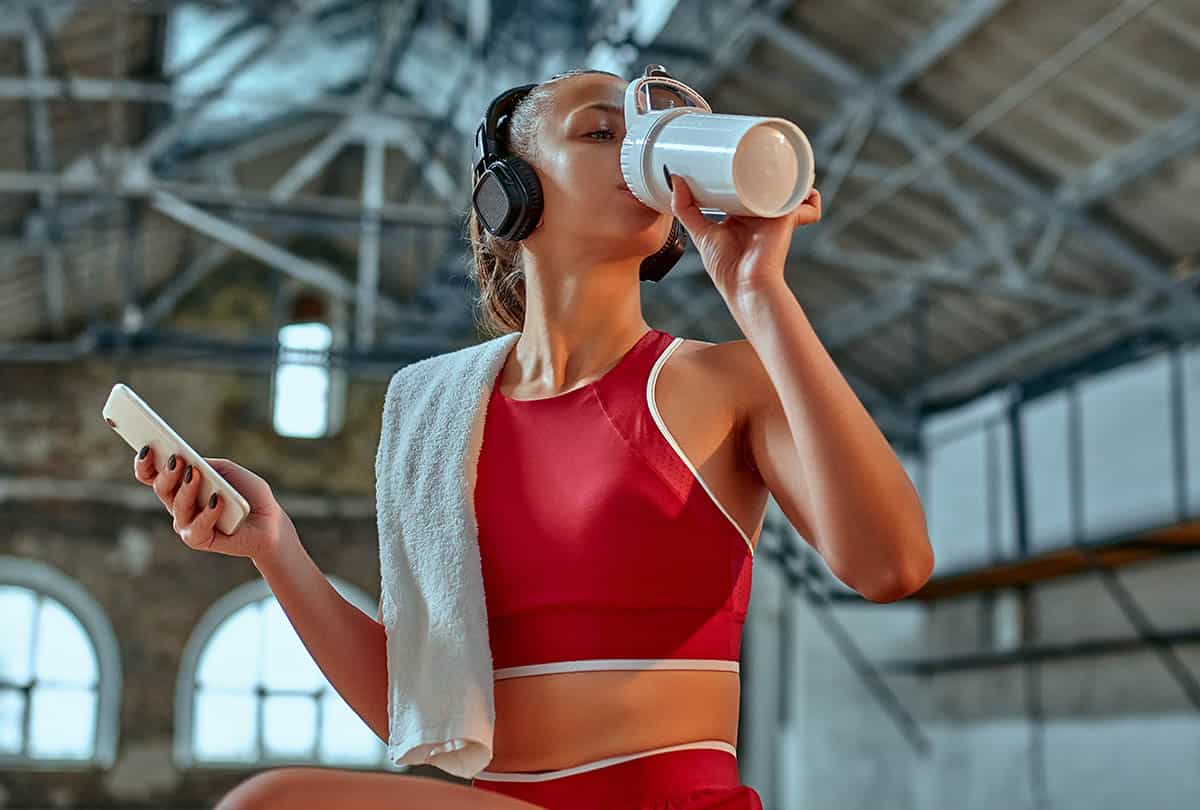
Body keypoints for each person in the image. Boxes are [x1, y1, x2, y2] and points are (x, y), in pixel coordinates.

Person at [132, 68, 932, 810]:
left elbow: (890, 565)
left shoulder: (730, 381)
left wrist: (758, 293)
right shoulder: (432, 409)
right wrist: (276, 547)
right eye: (601, 132)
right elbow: (409, 705)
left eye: (650, 130)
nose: (641, 149)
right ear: (510, 195)